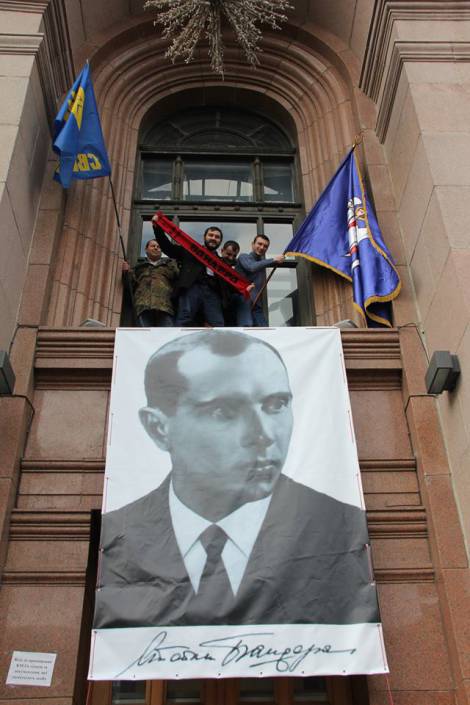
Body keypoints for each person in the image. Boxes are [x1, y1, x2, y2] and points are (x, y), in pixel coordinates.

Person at [94, 330, 379, 628]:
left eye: (276, 405)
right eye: (224, 411)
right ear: (158, 428)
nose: (264, 435)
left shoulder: (341, 527)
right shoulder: (118, 536)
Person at [152, 218, 226, 327]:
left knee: (218, 324)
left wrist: (244, 288)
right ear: (204, 237)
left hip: (212, 293)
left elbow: (231, 281)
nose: (213, 238)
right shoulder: (191, 251)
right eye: (211, 235)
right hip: (191, 289)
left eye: (217, 237)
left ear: (220, 241)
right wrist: (157, 229)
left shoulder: (221, 262)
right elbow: (168, 248)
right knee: (183, 320)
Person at [122, 239, 178, 327]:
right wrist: (127, 272)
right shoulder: (139, 267)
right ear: (146, 249)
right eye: (153, 246)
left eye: (158, 247)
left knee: (168, 337)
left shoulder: (169, 266)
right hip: (143, 306)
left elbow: (179, 282)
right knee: (144, 336)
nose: (156, 248)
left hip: (165, 306)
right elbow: (130, 285)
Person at [235, 235, 285, 326]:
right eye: (259, 244)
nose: (262, 247)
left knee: (264, 331)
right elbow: (252, 267)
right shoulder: (243, 257)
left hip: (256, 304)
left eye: (265, 246)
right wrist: (274, 259)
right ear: (252, 244)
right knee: (247, 328)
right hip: (243, 301)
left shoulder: (262, 264)